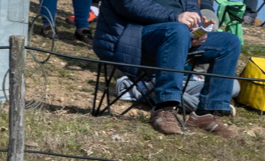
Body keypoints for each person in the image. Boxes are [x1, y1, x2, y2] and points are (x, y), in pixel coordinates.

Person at [93, 0, 241, 136]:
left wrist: (197, 29)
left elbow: (191, 6)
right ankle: (164, 109)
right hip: (132, 36)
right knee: (177, 30)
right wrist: (176, 17)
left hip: (176, 34)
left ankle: (205, 115)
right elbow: (129, 4)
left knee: (229, 42)